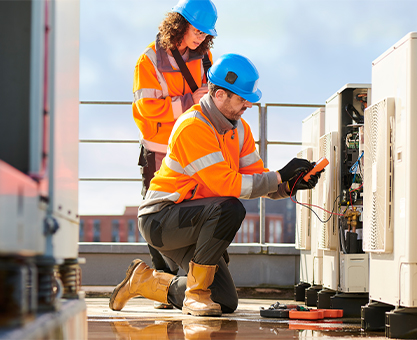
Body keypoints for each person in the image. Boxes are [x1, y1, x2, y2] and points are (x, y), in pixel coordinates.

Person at [111, 53, 321, 316]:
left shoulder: (239, 128)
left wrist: (289, 185)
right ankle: (195, 295)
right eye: (242, 99)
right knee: (231, 208)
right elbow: (227, 185)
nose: (248, 105)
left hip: (196, 220)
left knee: (224, 301)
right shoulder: (193, 127)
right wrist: (279, 175)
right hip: (162, 219)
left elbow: (256, 176)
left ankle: (144, 281)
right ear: (220, 94)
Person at [132, 0, 218, 304]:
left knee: (190, 209)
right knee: (156, 214)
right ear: (179, 23)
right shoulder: (149, 60)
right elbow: (147, 107)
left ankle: (177, 281)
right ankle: (160, 280)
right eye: (197, 30)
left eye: (205, 33)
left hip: (191, 147)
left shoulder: (204, 55)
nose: (200, 37)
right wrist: (189, 100)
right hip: (159, 149)